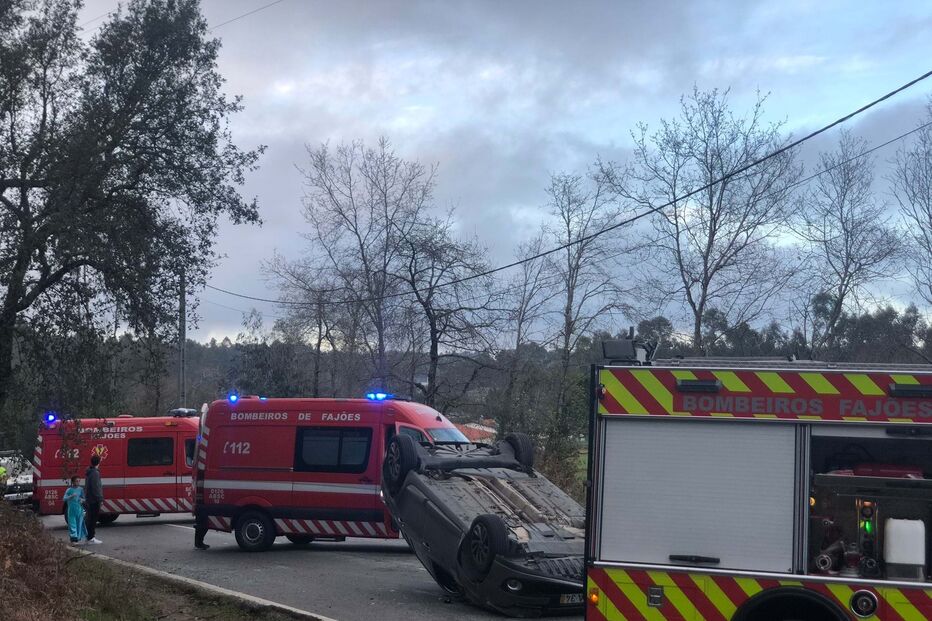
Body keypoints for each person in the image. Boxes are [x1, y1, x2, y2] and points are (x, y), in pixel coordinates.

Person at [84, 455, 104, 544]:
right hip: (94, 500)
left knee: (90, 518)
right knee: (93, 519)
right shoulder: (95, 473)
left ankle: (89, 537)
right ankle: (91, 538)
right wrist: (100, 499)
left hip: (90, 499)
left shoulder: (89, 472)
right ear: (98, 462)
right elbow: (96, 487)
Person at [63, 476, 87, 543]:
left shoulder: (81, 489)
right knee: (72, 524)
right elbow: (64, 498)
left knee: (79, 524)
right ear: (73, 482)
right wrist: (71, 496)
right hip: (71, 510)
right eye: (76, 481)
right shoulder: (69, 490)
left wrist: (82, 500)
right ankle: (73, 538)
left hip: (79, 509)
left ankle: (78, 538)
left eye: (79, 481)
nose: (78, 482)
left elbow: (84, 498)